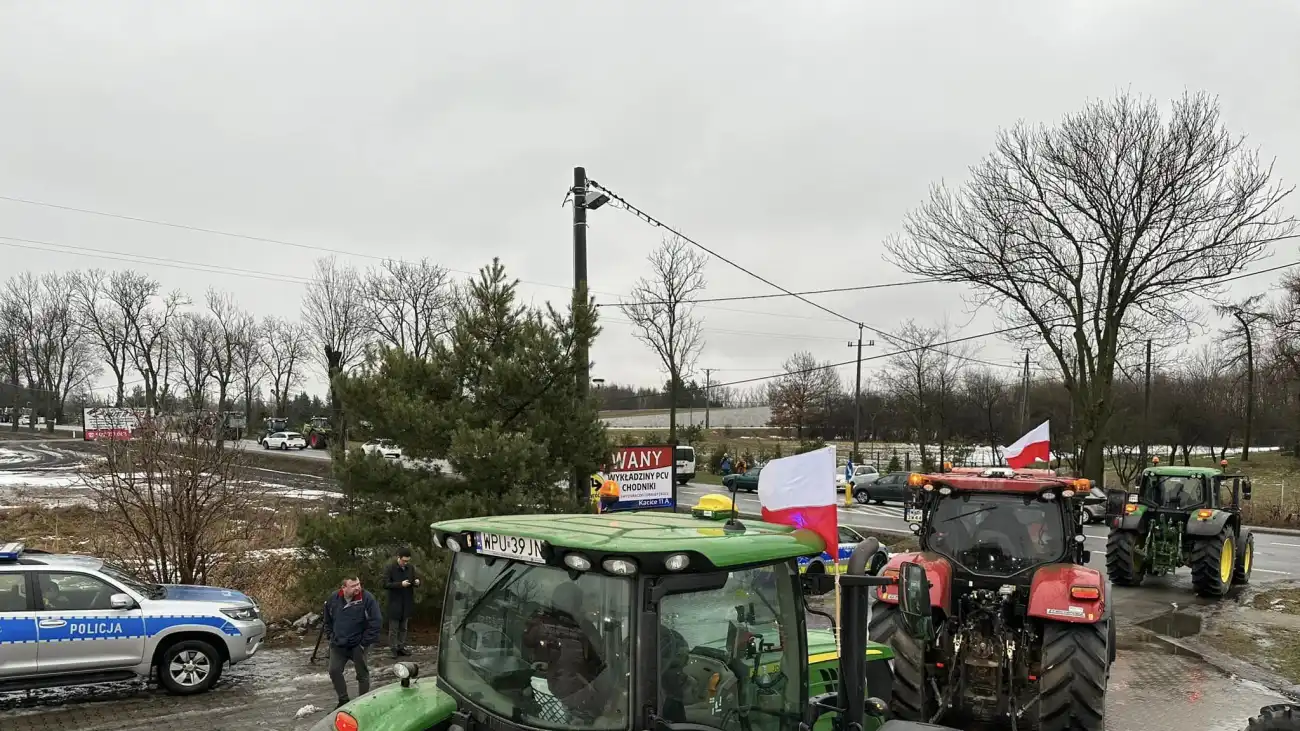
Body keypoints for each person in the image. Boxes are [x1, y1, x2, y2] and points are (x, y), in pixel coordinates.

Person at [322, 575, 382, 708]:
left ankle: (362, 703)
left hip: (358, 644)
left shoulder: (367, 598)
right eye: (353, 586)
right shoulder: (333, 598)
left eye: (359, 584)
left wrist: (364, 643)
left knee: (362, 674)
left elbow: (376, 621)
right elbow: (327, 620)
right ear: (344, 588)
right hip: (338, 644)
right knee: (334, 671)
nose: (358, 588)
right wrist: (331, 636)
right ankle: (343, 700)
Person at [383, 547, 420, 657]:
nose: (405, 563)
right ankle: (393, 648)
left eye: (407, 561)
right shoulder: (390, 568)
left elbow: (412, 581)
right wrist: (400, 584)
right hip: (395, 602)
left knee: (404, 627)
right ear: (398, 558)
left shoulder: (410, 568)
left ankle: (401, 647)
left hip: (407, 601)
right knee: (394, 628)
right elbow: (385, 584)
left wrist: (416, 582)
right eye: (404, 560)